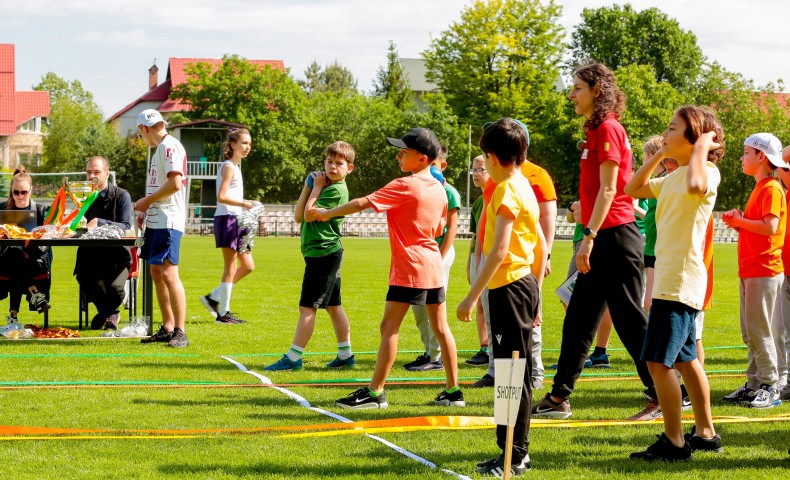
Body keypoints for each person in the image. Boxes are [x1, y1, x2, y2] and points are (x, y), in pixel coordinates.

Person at [532, 63, 657, 421]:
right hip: (603, 235)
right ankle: (558, 399)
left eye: (577, 88)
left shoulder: (608, 128)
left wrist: (588, 236)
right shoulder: (595, 130)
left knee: (632, 322)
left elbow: (609, 189)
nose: (571, 94)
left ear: (596, 91)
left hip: (614, 237)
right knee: (580, 320)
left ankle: (667, 393)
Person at [315, 127, 463, 409]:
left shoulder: (405, 185)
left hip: (410, 267)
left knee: (389, 327)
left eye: (403, 152)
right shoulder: (440, 189)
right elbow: (441, 227)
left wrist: (325, 213)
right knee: (441, 329)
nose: (398, 156)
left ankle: (374, 393)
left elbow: (361, 203)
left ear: (421, 158)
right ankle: (454, 391)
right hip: (432, 265)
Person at [625, 105, 724, 461]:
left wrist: (701, 148)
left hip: (678, 283)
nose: (665, 133)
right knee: (684, 361)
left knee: (657, 364)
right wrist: (661, 155)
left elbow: (697, 183)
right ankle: (706, 433)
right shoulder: (671, 177)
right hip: (673, 280)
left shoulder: (706, 171)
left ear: (694, 136)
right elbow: (632, 187)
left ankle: (675, 441)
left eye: (672, 128)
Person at [457, 118, 547, 476]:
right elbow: (540, 244)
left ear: (492, 157)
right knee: (513, 372)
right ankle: (509, 450)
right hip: (519, 286)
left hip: (509, 288)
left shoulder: (508, 190)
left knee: (511, 374)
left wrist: (470, 297)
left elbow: (498, 251)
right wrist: (536, 292)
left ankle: (515, 455)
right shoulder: (523, 184)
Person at [264, 141, 356, 371]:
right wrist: (308, 186)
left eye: (339, 163)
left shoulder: (336, 189)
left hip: (324, 254)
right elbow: (297, 217)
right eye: (329, 162)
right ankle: (346, 355)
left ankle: (293, 358)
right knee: (334, 305)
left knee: (307, 308)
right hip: (320, 254)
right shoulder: (323, 185)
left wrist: (316, 187)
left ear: (349, 168)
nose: (333, 167)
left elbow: (310, 214)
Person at [721, 132, 788, 408]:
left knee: (760, 331)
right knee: (750, 330)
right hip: (751, 269)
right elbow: (759, 225)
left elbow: (771, 228)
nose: (741, 157)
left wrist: (739, 222)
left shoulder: (771, 188)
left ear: (762, 156)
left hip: (764, 269)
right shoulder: (761, 187)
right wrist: (741, 220)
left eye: (747, 152)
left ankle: (770, 386)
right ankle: (753, 384)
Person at [134, 109, 189, 348]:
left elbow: (175, 183)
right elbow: (160, 183)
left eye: (140, 134)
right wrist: (146, 209)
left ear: (143, 129)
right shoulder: (159, 149)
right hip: (157, 219)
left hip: (169, 219)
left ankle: (180, 330)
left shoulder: (169, 146)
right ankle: (167, 327)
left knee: (168, 274)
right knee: (156, 273)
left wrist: (146, 201)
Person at [403, 144, 460, 372]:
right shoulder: (420, 187)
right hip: (421, 253)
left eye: (434, 165)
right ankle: (429, 351)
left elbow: (452, 229)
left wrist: (440, 257)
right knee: (417, 306)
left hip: (438, 253)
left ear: (442, 166)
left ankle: (436, 356)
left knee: (434, 305)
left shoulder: (449, 192)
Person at [200, 128, 260, 325]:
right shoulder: (228, 167)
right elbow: (222, 196)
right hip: (228, 219)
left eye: (249, 144)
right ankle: (223, 314)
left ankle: (213, 298)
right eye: (244, 143)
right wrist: (245, 203)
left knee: (248, 266)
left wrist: (247, 203)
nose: (247, 147)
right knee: (231, 267)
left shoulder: (235, 167)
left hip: (237, 219)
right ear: (233, 145)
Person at [74, 156, 132, 330]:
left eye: (96, 172)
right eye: (88, 172)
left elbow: (126, 226)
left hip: (117, 256)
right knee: (83, 278)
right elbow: (78, 224)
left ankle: (104, 313)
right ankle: (110, 313)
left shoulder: (122, 195)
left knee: (115, 288)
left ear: (107, 174)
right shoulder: (83, 197)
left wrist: (100, 222)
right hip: (90, 255)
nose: (92, 176)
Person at [520, 142, 557, 390]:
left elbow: (547, 217)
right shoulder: (495, 176)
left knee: (532, 317)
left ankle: (535, 371)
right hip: (501, 262)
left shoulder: (537, 175)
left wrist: (546, 256)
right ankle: (498, 371)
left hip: (527, 259)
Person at [0, 166, 51, 331]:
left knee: (19, 260)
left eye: (24, 192)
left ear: (31, 190)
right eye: (16, 192)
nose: (20, 196)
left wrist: (35, 239)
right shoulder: (2, 209)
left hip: (35, 258)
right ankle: (34, 292)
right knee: (15, 253)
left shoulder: (41, 210)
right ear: (12, 192)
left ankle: (13, 316)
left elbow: (48, 239)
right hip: (7, 256)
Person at [465, 155, 491, 367]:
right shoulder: (478, 203)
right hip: (477, 257)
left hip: (490, 259)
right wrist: (470, 262)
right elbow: (474, 236)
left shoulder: (495, 197)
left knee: (488, 305)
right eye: (473, 170)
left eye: (480, 169)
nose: (476, 174)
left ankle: (493, 347)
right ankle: (484, 347)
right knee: (481, 306)